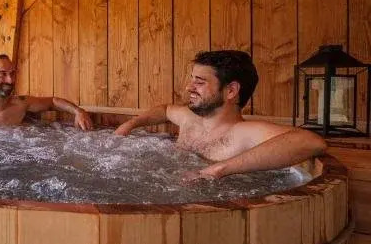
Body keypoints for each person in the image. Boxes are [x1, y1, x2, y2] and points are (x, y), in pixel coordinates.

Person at [113, 50, 327, 180]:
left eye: (199, 82)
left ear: (231, 90)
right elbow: (165, 110)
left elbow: (311, 142)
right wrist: (130, 124)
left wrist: (221, 169)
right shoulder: (189, 118)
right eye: (192, 80)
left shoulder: (244, 133)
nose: (189, 87)